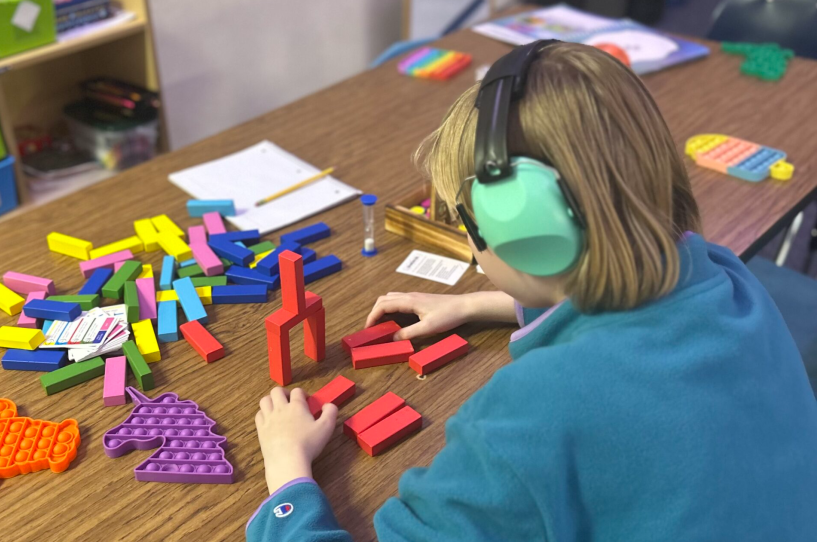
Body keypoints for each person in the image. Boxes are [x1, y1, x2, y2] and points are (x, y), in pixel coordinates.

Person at [246, 41, 817, 541]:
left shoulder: (528, 416)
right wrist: (481, 303)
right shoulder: (725, 274)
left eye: (468, 223)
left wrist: (288, 472)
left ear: (520, 229)